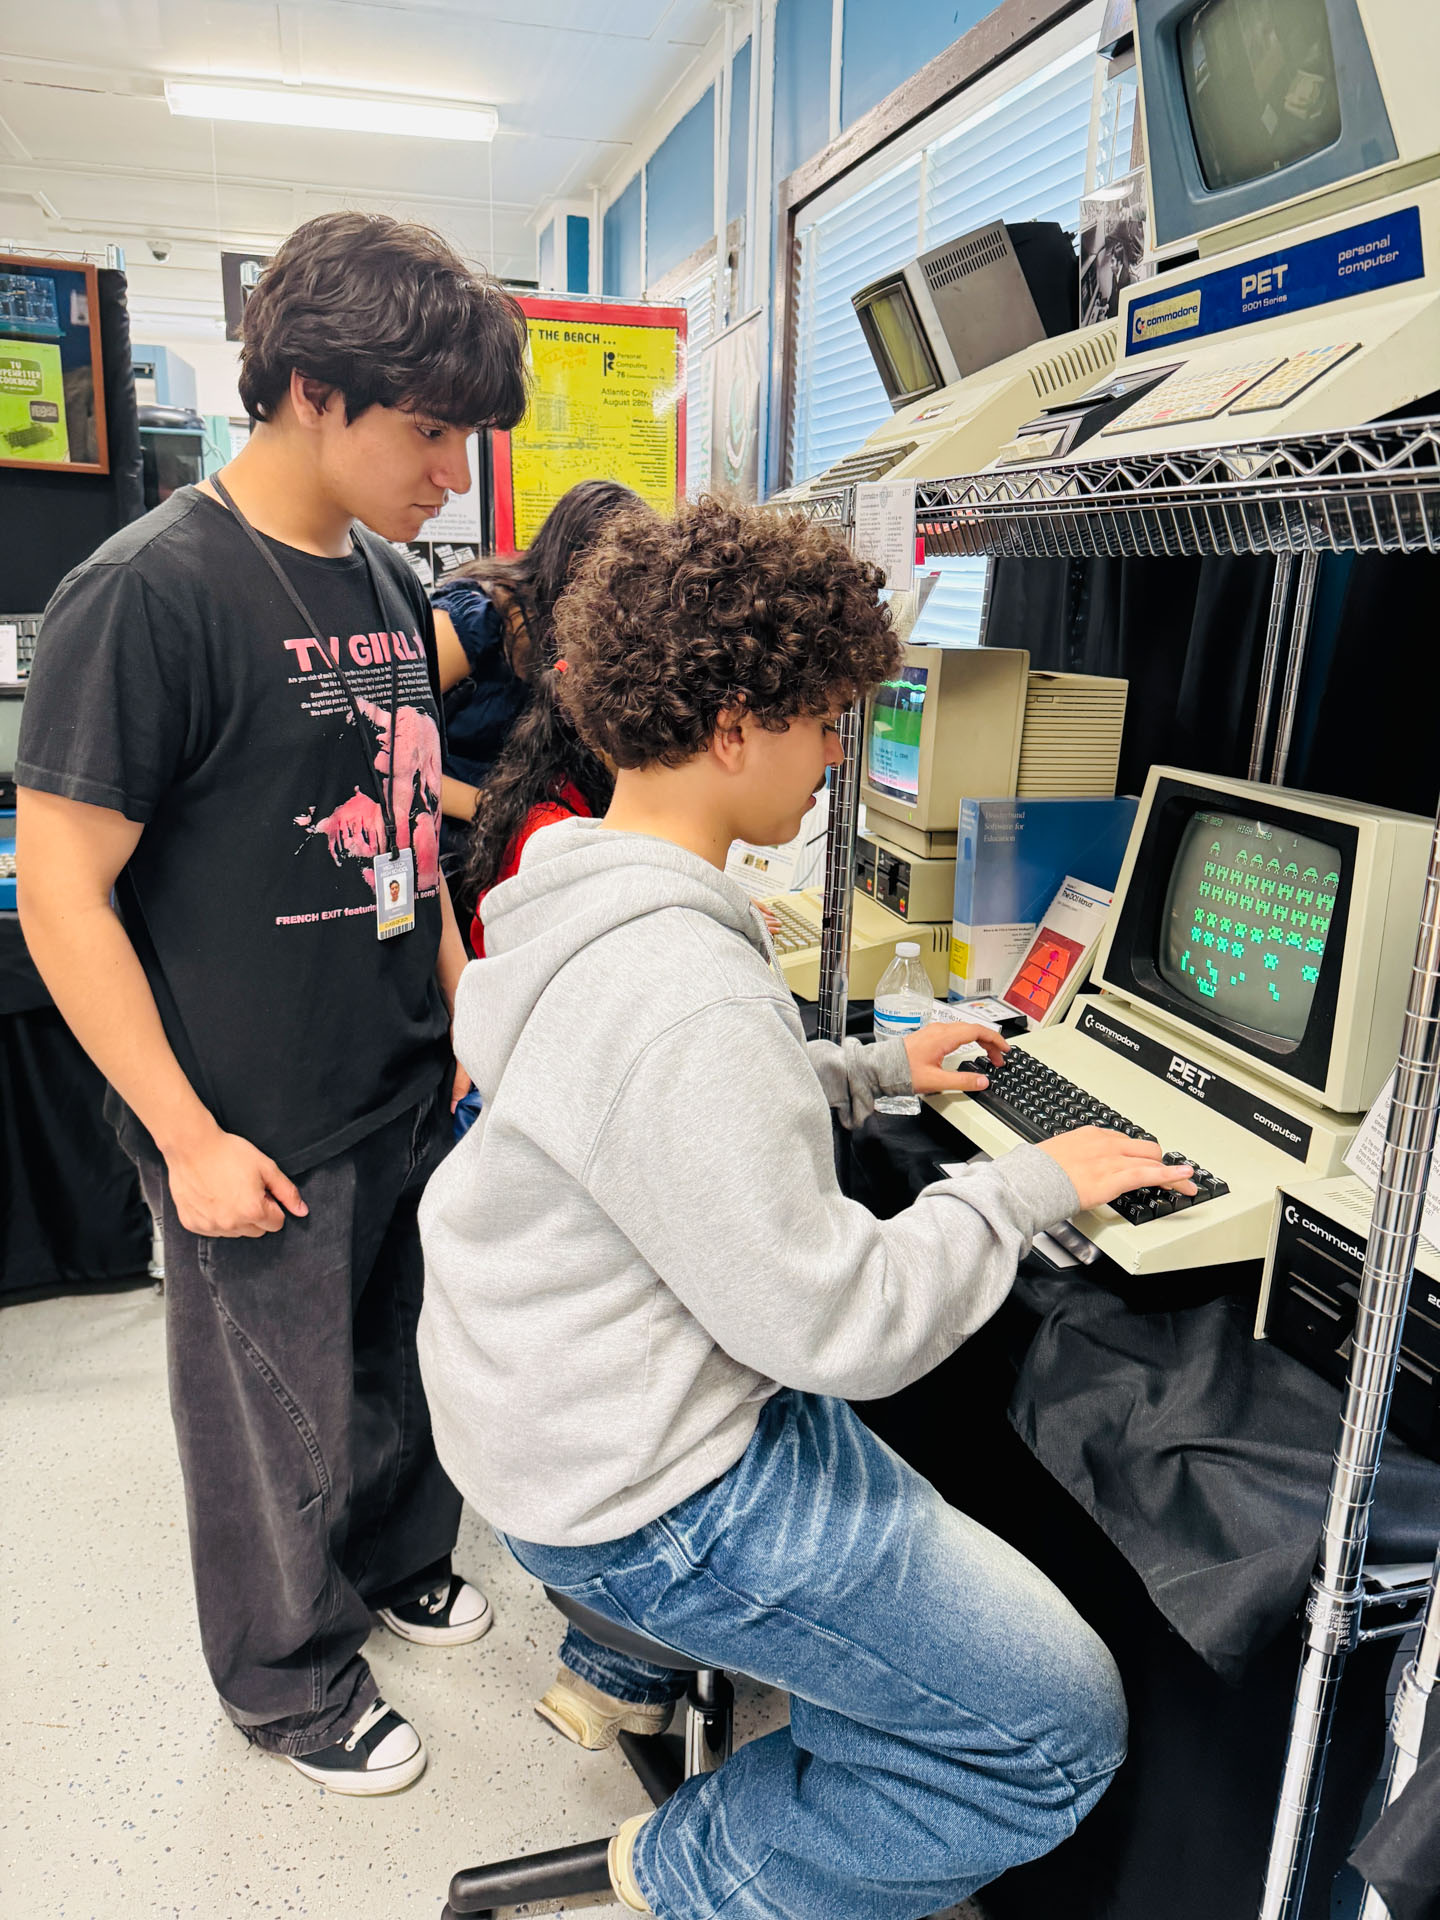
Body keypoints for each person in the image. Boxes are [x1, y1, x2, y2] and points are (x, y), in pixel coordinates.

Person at [417, 496, 1197, 1915]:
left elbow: (647, 1113)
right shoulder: (683, 987)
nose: (839, 759)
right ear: (735, 729)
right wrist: (1032, 1181)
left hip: (553, 1416)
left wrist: (873, 1069)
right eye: (829, 724)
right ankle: (696, 1871)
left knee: (937, 1632)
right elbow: (842, 1326)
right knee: (1054, 1732)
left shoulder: (576, 892)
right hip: (646, 1488)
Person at [16, 211, 529, 1795]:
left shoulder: (386, 575)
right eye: (429, 431)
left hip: (401, 1072)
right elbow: (63, 893)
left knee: (398, 1365)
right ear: (313, 390)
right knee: (271, 1424)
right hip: (248, 1111)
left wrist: (466, 1009)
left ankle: (393, 1560)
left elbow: (408, 825)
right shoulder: (146, 594)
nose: (453, 471)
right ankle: (287, 1681)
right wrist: (185, 1138)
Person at [428, 479, 642, 873]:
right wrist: (494, 809)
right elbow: (382, 748)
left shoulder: (585, 637)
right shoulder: (474, 619)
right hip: (441, 844)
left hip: (508, 841)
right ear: (575, 564)